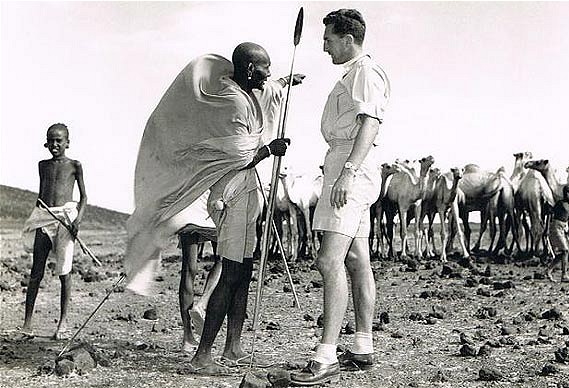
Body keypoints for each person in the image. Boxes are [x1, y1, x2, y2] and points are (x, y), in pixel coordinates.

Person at [123, 42, 304, 373]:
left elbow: (264, 96)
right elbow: (239, 154)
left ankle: (233, 347)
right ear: (250, 70)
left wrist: (284, 83)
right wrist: (269, 149)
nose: (269, 74)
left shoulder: (246, 93)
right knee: (231, 272)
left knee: (243, 272)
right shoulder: (232, 100)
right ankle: (202, 355)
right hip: (231, 196)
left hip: (248, 193)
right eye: (266, 68)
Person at [291, 9, 390, 387]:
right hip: (345, 165)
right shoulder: (352, 74)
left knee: (327, 260)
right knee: (355, 256)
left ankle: (325, 355)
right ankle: (363, 346)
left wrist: (347, 172)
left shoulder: (364, 72)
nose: (324, 46)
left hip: (352, 169)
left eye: (329, 39)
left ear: (348, 39)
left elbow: (371, 122)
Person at [22, 123, 87, 340]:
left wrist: (78, 219)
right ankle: (27, 324)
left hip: (65, 219)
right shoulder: (42, 165)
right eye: (51, 140)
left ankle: (63, 323)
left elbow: (84, 197)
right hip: (44, 217)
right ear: (46, 142)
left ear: (68, 142)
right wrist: (39, 214)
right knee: (35, 273)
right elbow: (42, 195)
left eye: (59, 140)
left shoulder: (75, 165)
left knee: (64, 272)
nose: (55, 144)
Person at [546, 185, 569, 283]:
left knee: (562, 253)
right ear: (567, 193)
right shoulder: (560, 203)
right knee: (565, 250)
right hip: (556, 227)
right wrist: (546, 229)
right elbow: (550, 214)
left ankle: (548, 271)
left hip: (563, 228)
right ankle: (564, 275)